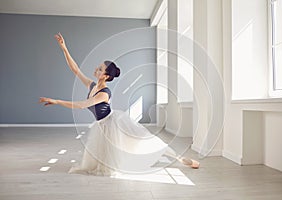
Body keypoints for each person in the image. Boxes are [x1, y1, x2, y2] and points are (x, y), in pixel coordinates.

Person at [39, 33, 199, 176]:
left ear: (106, 76)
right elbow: (75, 70)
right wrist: (64, 48)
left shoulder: (104, 94)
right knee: (112, 156)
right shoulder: (92, 86)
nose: (96, 69)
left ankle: (181, 159)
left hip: (113, 124)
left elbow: (82, 105)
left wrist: (57, 101)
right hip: (101, 125)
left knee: (146, 141)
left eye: (100, 69)